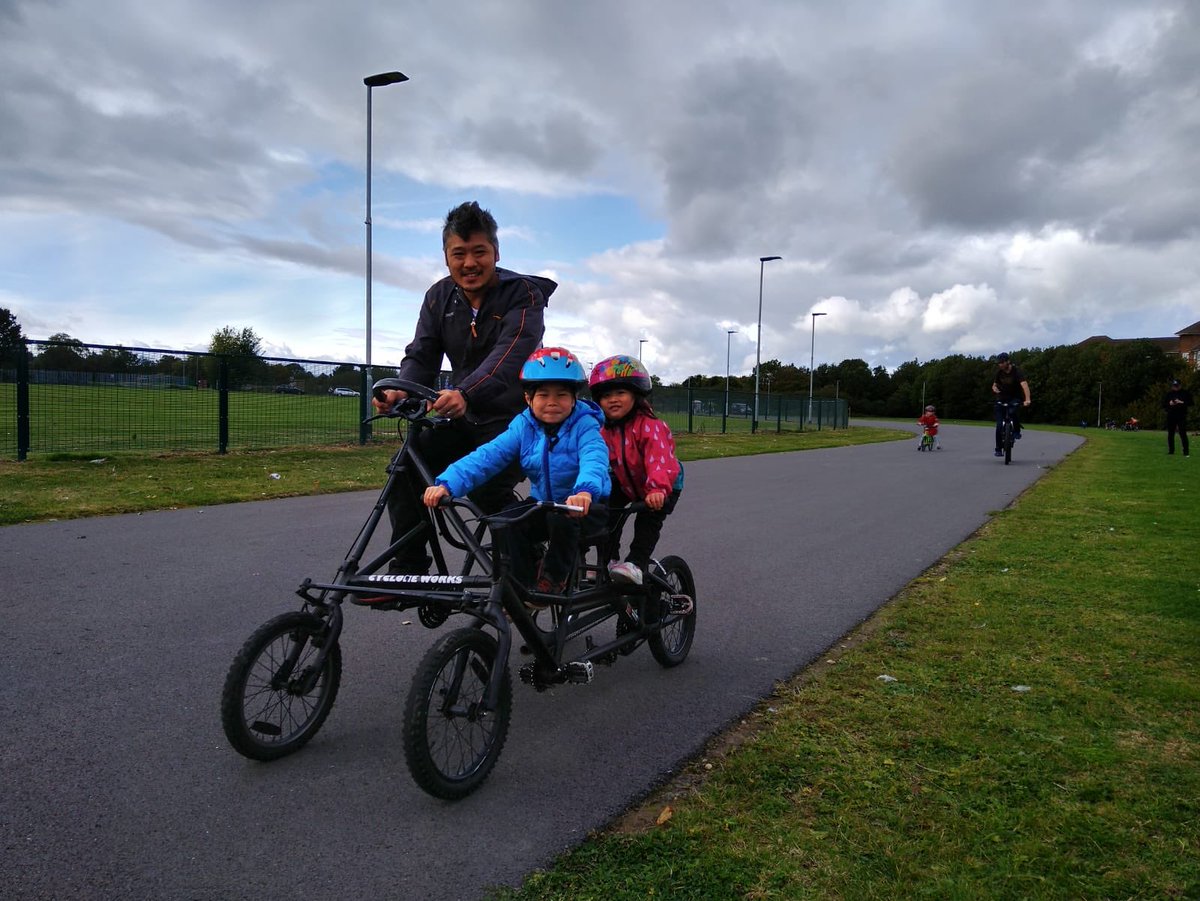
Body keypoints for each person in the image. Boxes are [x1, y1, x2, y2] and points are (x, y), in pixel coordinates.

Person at [372, 201, 551, 575]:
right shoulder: (438, 297)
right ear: (446, 257)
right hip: (463, 418)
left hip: (512, 421)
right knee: (407, 467)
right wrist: (400, 391)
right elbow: (422, 355)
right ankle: (410, 567)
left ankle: (527, 560)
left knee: (488, 491)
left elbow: (509, 357)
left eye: (479, 252)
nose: (469, 263)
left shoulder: (524, 295)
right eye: (459, 254)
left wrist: (466, 392)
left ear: (495, 253)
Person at [422, 347, 610, 598]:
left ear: (575, 398)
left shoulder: (585, 425)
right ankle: (522, 584)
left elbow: (594, 458)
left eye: (562, 394)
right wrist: (447, 484)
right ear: (528, 398)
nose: (552, 402)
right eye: (543, 394)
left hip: (586, 507)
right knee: (505, 520)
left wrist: (585, 490)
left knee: (561, 518)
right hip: (544, 504)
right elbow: (487, 456)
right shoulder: (524, 426)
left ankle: (553, 581)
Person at [587, 355, 683, 585]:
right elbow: (594, 460)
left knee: (646, 524)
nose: (612, 400)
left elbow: (659, 460)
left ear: (636, 395)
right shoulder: (604, 431)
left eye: (620, 393)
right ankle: (606, 561)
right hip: (628, 483)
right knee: (608, 516)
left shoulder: (651, 427)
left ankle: (636, 564)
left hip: (663, 484)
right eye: (606, 395)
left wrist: (658, 488)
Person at [991, 352, 1031, 457]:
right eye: (999, 363)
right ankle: (998, 449)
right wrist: (995, 389)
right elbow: (994, 385)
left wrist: (1027, 399)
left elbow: (1024, 385)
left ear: (1008, 361)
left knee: (1012, 411)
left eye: (1002, 362)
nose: (1000, 365)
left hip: (1014, 398)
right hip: (1001, 398)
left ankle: (1016, 431)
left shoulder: (1016, 372)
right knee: (999, 425)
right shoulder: (999, 373)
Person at [1164, 378, 1191, 456]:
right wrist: (1170, 403)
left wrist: (1181, 402)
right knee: (1170, 434)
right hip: (1171, 416)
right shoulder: (1169, 394)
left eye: (1177, 386)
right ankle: (1171, 451)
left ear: (1180, 385)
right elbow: (1164, 404)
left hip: (1181, 416)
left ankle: (1186, 452)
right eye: (1174, 386)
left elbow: (1191, 402)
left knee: (1183, 433)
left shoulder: (1185, 393)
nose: (1175, 387)